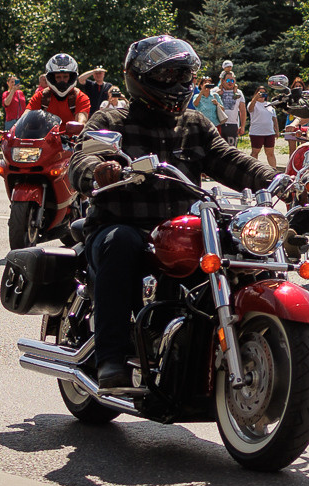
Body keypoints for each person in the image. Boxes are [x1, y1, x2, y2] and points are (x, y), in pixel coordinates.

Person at [70, 35, 278, 391]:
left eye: (185, 75)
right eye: (169, 75)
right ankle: (111, 358)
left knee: (245, 245)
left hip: (182, 230)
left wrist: (276, 177)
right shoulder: (113, 119)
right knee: (118, 243)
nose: (180, 84)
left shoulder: (194, 123)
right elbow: (81, 159)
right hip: (125, 225)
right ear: (140, 77)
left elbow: (228, 159)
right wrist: (98, 170)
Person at [31, 54, 93, 128]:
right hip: (45, 138)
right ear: (52, 78)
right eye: (58, 77)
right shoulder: (41, 97)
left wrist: (79, 125)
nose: (62, 80)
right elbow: (26, 116)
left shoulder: (80, 97)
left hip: (72, 139)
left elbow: (82, 120)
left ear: (71, 77)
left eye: (65, 76)